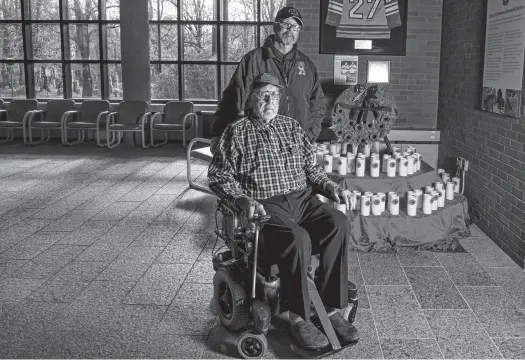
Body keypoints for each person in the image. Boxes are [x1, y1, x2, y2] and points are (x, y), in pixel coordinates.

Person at [208, 73, 359, 351]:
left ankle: (332, 306)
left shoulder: (291, 127)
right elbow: (218, 176)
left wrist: (332, 187)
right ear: (251, 99)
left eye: (274, 95)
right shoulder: (236, 131)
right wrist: (242, 200)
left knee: (338, 222)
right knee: (296, 238)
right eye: (263, 94)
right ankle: (298, 315)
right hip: (266, 204)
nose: (270, 100)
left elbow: (311, 170)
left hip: (302, 200)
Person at [210, 6, 325, 154]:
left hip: (297, 143)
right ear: (275, 26)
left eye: (295, 26)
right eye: (285, 24)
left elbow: (318, 103)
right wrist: (218, 133)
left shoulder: (306, 64)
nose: (290, 30)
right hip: (261, 143)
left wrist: (310, 136)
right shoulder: (254, 60)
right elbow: (233, 98)